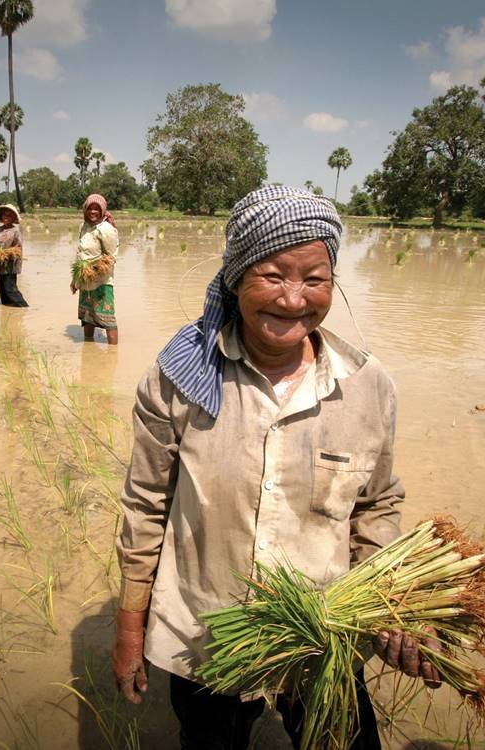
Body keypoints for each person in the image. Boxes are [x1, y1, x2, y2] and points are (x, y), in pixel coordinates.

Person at [111, 186, 439, 750]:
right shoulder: (178, 381)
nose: (293, 300)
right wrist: (129, 627)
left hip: (323, 631)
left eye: (314, 280)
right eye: (272, 276)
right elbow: (145, 505)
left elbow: (377, 505)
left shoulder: (366, 386)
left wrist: (393, 606)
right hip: (206, 634)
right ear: (236, 278)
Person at [70, 193, 118, 345]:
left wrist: (94, 270)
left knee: (108, 319)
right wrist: (76, 279)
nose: (93, 212)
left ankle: (113, 353)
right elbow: (80, 254)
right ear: (85, 210)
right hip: (85, 279)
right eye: (90, 208)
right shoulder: (83, 227)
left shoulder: (106, 229)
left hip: (101, 282)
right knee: (87, 317)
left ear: (103, 210)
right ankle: (88, 349)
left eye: (97, 209)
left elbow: (111, 257)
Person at [0, 204, 28, 307]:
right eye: (4, 215)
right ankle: (8, 312)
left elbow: (18, 247)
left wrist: (6, 253)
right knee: (3, 292)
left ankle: (24, 307)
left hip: (10, 264)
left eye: (9, 215)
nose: (6, 217)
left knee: (10, 289)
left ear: (13, 217)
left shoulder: (16, 230)